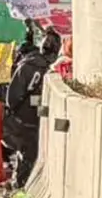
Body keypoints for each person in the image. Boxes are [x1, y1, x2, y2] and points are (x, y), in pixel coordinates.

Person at [4, 31, 61, 188]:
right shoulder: (53, 71)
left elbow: (12, 94)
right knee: (31, 153)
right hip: (38, 120)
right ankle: (21, 184)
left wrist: (13, 110)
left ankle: (19, 183)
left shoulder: (26, 66)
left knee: (25, 153)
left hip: (20, 118)